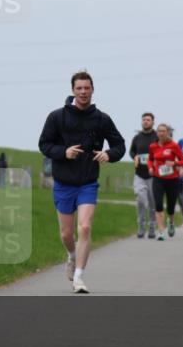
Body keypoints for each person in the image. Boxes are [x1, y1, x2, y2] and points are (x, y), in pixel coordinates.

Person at [38, 70, 126, 294]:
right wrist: (63, 152)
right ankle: (71, 255)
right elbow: (44, 145)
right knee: (67, 234)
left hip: (88, 182)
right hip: (63, 182)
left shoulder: (101, 119)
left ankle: (79, 278)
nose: (83, 92)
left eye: (87, 88)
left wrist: (109, 154)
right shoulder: (57, 117)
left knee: (85, 227)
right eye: (79, 88)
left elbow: (119, 145)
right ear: (72, 90)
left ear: (93, 89)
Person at [148, 123, 183, 241]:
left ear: (168, 132)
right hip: (158, 178)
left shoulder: (174, 146)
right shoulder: (153, 146)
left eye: (164, 131)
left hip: (172, 179)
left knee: (171, 207)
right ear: (157, 133)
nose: (161, 133)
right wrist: (150, 168)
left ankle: (171, 223)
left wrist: (174, 163)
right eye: (159, 131)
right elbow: (150, 159)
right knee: (158, 204)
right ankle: (161, 231)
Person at [129, 112, 159, 238]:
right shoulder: (137, 137)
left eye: (148, 120)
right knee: (141, 200)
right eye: (144, 120)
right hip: (139, 174)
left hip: (153, 175)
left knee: (153, 203)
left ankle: (152, 227)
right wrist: (134, 156)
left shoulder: (157, 137)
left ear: (153, 122)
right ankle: (141, 226)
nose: (146, 122)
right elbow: (132, 151)